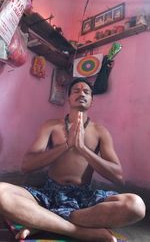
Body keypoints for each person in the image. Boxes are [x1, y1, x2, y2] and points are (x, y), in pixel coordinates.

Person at [0, 78, 146, 242]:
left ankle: (43, 221)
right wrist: (67, 145)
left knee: (136, 205)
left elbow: (117, 176)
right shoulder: (51, 126)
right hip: (49, 193)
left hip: (84, 198)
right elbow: (27, 166)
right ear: (68, 98)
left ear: (92, 101)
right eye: (76, 90)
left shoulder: (100, 132)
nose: (81, 93)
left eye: (86, 92)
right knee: (1, 192)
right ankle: (80, 232)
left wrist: (83, 149)